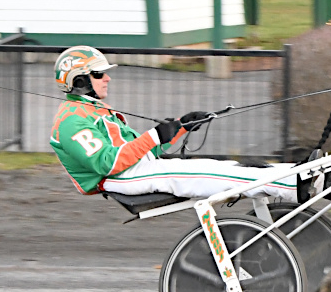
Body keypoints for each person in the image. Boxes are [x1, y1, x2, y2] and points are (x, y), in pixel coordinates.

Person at [50, 45, 298, 201]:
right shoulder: (72, 121)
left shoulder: (92, 109)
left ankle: (297, 172)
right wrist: (155, 136)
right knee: (210, 173)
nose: (107, 78)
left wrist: (180, 127)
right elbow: (108, 163)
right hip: (118, 178)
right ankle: (291, 186)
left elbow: (141, 150)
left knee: (226, 166)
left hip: (135, 170)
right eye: (99, 74)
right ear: (80, 81)